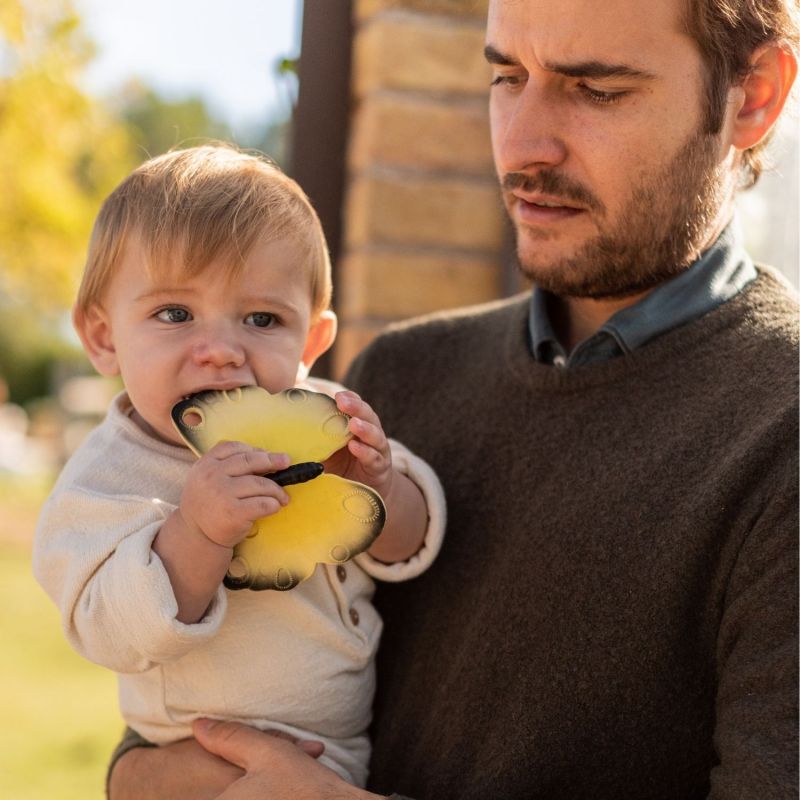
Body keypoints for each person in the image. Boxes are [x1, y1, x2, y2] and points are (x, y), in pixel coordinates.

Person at [108, 0, 799, 797]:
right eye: (508, 76)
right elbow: (202, 702)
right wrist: (142, 774)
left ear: (753, 96)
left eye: (597, 90)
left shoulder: (781, 426)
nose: (523, 146)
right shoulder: (400, 375)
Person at [32, 145, 446, 789]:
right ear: (103, 335)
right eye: (175, 313)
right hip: (197, 756)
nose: (222, 351)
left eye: (262, 318)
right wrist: (196, 537)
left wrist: (383, 485)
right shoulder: (107, 478)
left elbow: (412, 541)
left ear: (310, 341)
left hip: (339, 758)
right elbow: (106, 629)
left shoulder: (320, 425)